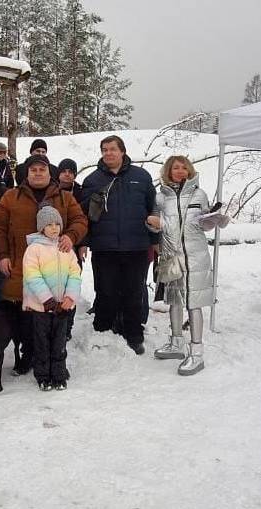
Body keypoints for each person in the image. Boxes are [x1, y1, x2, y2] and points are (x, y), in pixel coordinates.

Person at [0, 155, 88, 376]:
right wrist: (3, 255)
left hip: (54, 269)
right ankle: (27, 355)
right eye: (33, 169)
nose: (37, 173)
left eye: (41, 169)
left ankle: (50, 358)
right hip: (19, 267)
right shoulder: (10, 196)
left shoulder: (64, 198)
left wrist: (71, 236)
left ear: (49, 173)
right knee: (26, 314)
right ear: (26, 173)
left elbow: (80, 220)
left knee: (52, 315)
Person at [148, 156, 228, 375]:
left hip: (195, 256)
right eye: (176, 167)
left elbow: (199, 223)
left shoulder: (198, 194)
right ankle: (176, 343)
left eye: (184, 167)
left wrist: (211, 220)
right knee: (174, 299)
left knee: (194, 302)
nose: (180, 171)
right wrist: (153, 224)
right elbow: (156, 226)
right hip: (171, 256)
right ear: (168, 171)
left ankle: (197, 353)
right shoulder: (160, 197)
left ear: (190, 170)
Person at [81, 135, 158, 355]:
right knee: (105, 291)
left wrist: (155, 241)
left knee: (134, 292)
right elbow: (83, 215)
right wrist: (83, 242)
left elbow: (153, 209)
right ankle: (103, 329)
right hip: (104, 248)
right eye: (104, 150)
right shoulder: (93, 180)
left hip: (136, 246)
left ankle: (133, 333)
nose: (108, 153)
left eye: (113, 149)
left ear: (122, 151)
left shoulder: (141, 177)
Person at [22, 206, 82, 391]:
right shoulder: (34, 249)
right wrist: (47, 299)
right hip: (42, 307)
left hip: (62, 306)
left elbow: (75, 273)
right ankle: (43, 375)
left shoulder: (65, 248)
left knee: (59, 342)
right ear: (41, 227)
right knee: (42, 342)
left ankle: (59, 374)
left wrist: (70, 297)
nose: (54, 228)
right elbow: (32, 276)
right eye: (49, 224)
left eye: (57, 224)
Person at [57, 158, 84, 340]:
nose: (67, 174)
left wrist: (82, 244)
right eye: (64, 171)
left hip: (74, 244)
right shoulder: (51, 190)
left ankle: (68, 324)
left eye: (71, 171)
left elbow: (84, 219)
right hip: (53, 246)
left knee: (71, 286)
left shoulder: (81, 192)